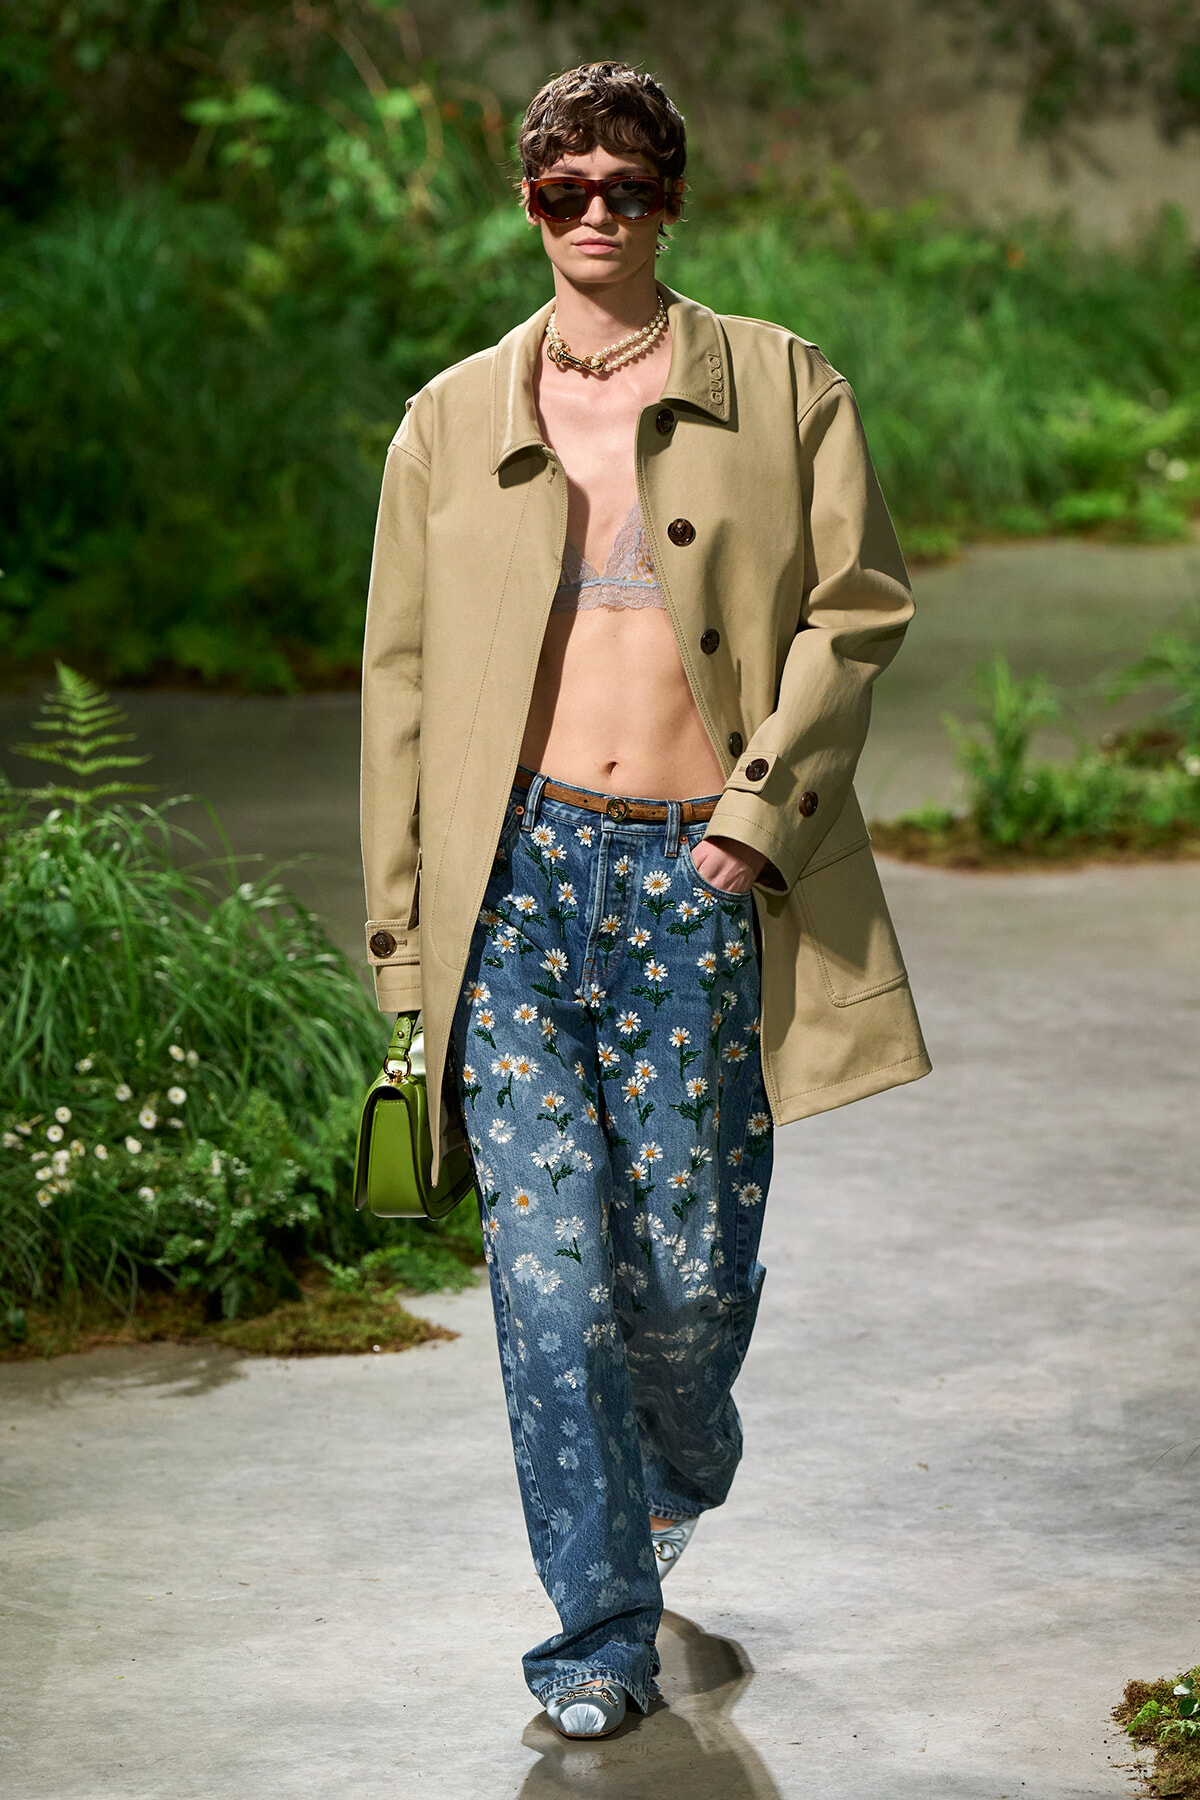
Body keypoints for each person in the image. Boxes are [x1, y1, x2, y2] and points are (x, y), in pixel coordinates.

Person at [359, 61, 930, 1741]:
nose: (595, 212)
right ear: (529, 205)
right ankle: (596, 1631)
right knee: (548, 1284)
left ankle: (682, 1458)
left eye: (627, 185)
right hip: (515, 887)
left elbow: (858, 607)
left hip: (699, 877)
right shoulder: (449, 419)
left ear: (670, 200)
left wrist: (757, 817)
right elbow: (399, 686)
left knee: (685, 1279)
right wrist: (404, 953)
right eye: (565, 188)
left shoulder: (785, 385)